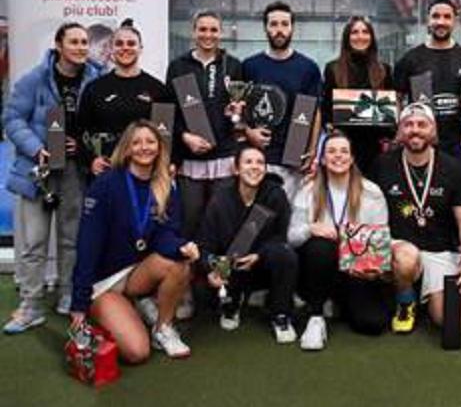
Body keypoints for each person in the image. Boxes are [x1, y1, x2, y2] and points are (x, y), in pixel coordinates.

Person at [69, 120, 200, 361]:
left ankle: (163, 328)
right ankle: (123, 308)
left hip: (137, 272)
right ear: (127, 148)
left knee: (179, 262)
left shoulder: (165, 185)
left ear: (159, 147)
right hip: (107, 281)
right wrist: (79, 302)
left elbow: (166, 234)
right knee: (136, 352)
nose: (144, 147)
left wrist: (181, 247)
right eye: (136, 142)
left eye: (150, 142)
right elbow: (88, 245)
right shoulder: (106, 184)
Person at [2, 23, 103, 333]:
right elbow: (12, 118)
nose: (81, 47)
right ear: (59, 46)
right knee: (33, 241)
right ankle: (30, 305)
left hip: (75, 171)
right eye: (74, 42)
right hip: (39, 171)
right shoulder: (34, 79)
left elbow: (100, 123)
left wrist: (84, 146)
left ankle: (67, 294)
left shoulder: (96, 78)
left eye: (84, 42)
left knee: (72, 239)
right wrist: (36, 148)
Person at [373, 103, 461, 333]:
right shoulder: (383, 164)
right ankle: (405, 300)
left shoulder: (452, 167)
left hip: (439, 251)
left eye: (422, 124)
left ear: (433, 129)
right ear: (400, 130)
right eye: (408, 124)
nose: (415, 130)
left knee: (453, 324)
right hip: (400, 249)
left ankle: (429, 295)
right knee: (407, 257)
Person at [289, 131, 394, 349]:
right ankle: (316, 316)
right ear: (323, 159)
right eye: (331, 151)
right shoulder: (308, 190)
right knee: (320, 246)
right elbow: (290, 237)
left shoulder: (371, 192)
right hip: (318, 265)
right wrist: (310, 229)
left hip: (355, 270)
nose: (338, 156)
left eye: (344, 151)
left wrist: (372, 269)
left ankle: (338, 302)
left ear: (352, 158)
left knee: (372, 324)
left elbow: (380, 240)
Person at [196, 145, 297, 340]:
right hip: (231, 264)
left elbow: (281, 236)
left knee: (285, 255)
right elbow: (206, 243)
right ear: (236, 169)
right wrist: (212, 269)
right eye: (248, 162)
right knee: (202, 290)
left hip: (263, 261)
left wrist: (259, 255)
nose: (254, 167)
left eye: (260, 162)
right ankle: (232, 303)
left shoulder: (275, 194)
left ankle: (281, 315)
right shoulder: (220, 198)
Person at [166, 10, 244, 240]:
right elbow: (168, 112)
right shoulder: (178, 66)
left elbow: (241, 113)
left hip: (224, 157)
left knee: (222, 221)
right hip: (190, 159)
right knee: (190, 221)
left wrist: (236, 114)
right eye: (202, 29)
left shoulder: (233, 65)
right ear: (193, 32)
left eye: (213, 30)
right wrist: (184, 136)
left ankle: (218, 264)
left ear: (221, 33)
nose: (207, 35)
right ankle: (190, 263)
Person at [242, 1, 322, 201]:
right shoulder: (249, 66)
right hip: (258, 158)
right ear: (265, 28)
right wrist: (248, 132)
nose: (279, 30)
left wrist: (312, 150)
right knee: (255, 214)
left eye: (285, 24)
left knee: (288, 214)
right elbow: (238, 109)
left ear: (292, 28)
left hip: (293, 159)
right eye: (274, 24)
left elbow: (315, 112)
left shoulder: (308, 68)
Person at [77, 19, 170, 177]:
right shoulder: (94, 89)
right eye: (119, 44)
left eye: (131, 44)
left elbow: (166, 134)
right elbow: (81, 131)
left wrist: (167, 164)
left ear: (140, 49)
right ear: (111, 49)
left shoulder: (157, 89)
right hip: (107, 171)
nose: (125, 48)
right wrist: (91, 160)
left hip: (146, 172)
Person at [393, 0, 461, 161]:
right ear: (428, 20)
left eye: (447, 17)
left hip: (460, 145)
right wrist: (402, 128)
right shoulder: (410, 59)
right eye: (436, 16)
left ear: (455, 20)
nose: (441, 22)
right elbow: (397, 99)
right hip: (421, 145)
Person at [322, 16, 394, 174]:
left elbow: (389, 113)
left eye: (365, 32)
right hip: (343, 148)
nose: (360, 36)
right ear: (347, 37)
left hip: (375, 148)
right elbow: (326, 109)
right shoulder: (332, 69)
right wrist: (331, 128)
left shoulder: (384, 70)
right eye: (354, 32)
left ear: (372, 37)